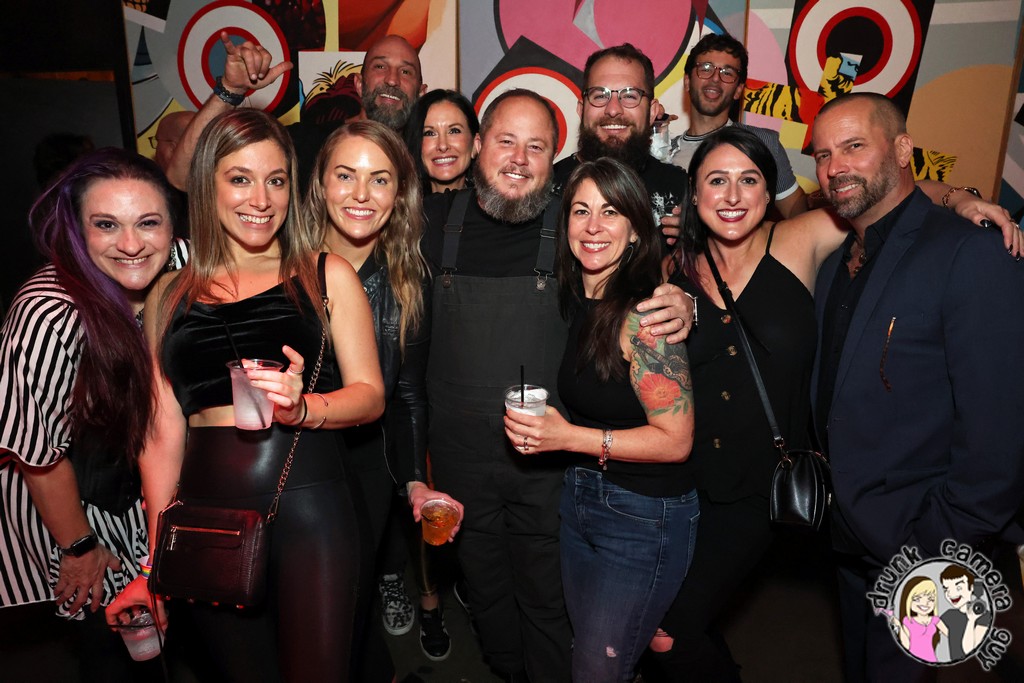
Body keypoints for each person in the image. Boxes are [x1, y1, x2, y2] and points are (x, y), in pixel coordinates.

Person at [641, 125, 1023, 683]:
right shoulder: (673, 267)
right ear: (693, 194)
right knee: (676, 619)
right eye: (716, 181)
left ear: (769, 190)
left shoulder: (802, 236)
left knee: (668, 630)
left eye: (749, 180)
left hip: (762, 488)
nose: (732, 195)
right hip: (687, 482)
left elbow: (891, 196)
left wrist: (959, 198)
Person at [422, 87, 693, 683]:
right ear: (477, 146)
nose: (519, 159)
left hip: (548, 464)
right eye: (506, 141)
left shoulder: (572, 227)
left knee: (549, 601)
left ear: (556, 160)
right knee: (486, 596)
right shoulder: (432, 223)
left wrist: (681, 298)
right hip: (461, 462)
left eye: (537, 147)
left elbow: (634, 267)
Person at [107, 108, 385, 681]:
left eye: (275, 180)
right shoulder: (168, 294)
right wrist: (160, 557)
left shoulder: (326, 273)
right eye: (240, 178)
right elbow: (161, 436)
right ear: (207, 184)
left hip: (311, 505)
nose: (261, 198)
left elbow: (370, 395)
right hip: (206, 515)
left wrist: (304, 407)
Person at [810, 92, 1024, 683]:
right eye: (823, 155)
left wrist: (938, 544)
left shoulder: (969, 252)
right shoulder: (836, 262)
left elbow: (999, 431)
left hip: (924, 546)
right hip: (850, 534)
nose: (836, 167)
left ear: (903, 150)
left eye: (854, 146)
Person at [504, 158, 698, 682]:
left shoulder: (645, 318)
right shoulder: (585, 299)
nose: (592, 226)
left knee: (596, 670)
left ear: (635, 229)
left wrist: (567, 437)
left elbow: (676, 441)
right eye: (581, 211)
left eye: (610, 212)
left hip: (644, 517)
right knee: (596, 660)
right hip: (582, 500)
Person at [0, 148, 180, 680]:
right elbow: (36, 451)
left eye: (148, 222)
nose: (131, 244)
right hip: (76, 509)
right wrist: (79, 547)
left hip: (145, 494)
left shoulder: (181, 266)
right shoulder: (49, 315)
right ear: (77, 231)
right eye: (106, 225)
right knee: (115, 647)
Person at [305, 119, 461, 667]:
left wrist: (415, 479)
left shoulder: (408, 278)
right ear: (320, 183)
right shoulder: (281, 263)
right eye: (345, 175)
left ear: (399, 194)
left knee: (352, 595)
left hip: (368, 460)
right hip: (295, 461)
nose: (361, 195)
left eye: (380, 179)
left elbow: (409, 391)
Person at [165, 32, 426, 194]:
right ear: (358, 84)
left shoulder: (430, 161)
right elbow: (182, 176)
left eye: (406, 71)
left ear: (421, 92)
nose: (392, 79)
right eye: (380, 66)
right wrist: (230, 89)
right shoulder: (304, 144)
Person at [655, 32, 809, 219]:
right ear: (687, 81)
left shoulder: (761, 142)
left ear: (738, 90)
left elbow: (797, 213)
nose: (715, 78)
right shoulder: (661, 153)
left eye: (727, 73)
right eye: (705, 68)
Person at [553, 43, 686, 248]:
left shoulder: (680, 191)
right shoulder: (547, 189)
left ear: (652, 112)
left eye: (630, 96)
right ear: (581, 109)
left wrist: (698, 240)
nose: (613, 109)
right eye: (600, 95)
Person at [404, 89, 479, 193]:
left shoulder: (493, 202)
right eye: (430, 133)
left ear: (475, 144)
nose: (443, 146)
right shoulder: (397, 202)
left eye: (454, 131)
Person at [938, 565, 991, 661]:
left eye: (958, 588)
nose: (951, 594)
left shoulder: (984, 616)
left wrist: (971, 620)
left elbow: (968, 650)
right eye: (946, 589)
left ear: (971, 587)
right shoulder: (949, 615)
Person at [890, 577, 947, 663]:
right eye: (917, 599)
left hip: (931, 660)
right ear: (908, 600)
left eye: (931, 599)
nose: (925, 603)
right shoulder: (908, 621)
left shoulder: (935, 620)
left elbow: (951, 635)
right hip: (912, 661)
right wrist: (899, 626)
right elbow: (907, 645)